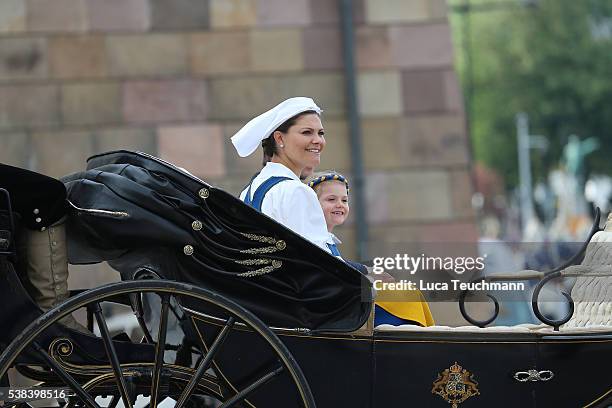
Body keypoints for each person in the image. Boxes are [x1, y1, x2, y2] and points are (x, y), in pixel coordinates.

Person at [306, 171, 435, 327]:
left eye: (344, 200)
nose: (340, 204)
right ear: (311, 204)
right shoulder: (311, 238)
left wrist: (367, 272)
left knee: (406, 292)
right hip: (335, 308)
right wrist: (366, 273)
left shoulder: (326, 239)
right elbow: (332, 267)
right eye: (331, 199)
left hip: (344, 299)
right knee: (405, 295)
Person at [232, 97, 331, 253]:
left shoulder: (250, 190)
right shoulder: (296, 191)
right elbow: (321, 264)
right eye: (307, 132)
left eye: (321, 133)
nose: (318, 140)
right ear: (279, 138)